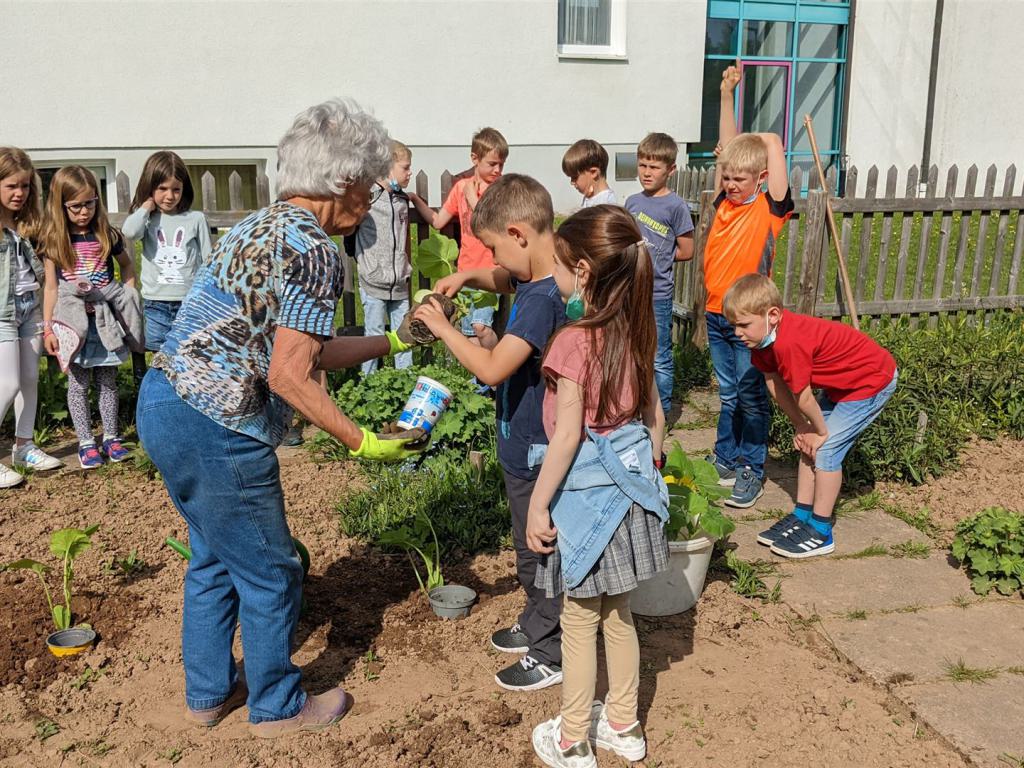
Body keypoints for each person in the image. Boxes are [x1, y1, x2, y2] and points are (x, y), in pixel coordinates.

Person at [135, 99, 429, 738]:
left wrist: (395, 342)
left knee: (213, 558)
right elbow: (289, 376)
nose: (373, 197)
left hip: (163, 403)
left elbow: (298, 348)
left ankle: (209, 694)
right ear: (344, 181)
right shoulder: (316, 250)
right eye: (372, 182)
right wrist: (365, 441)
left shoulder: (259, 226)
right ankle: (276, 705)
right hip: (216, 427)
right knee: (272, 569)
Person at [413, 174, 567, 692]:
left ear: (520, 234)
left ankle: (551, 649)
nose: (496, 262)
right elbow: (505, 280)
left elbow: (494, 370)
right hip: (518, 435)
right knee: (526, 544)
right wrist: (468, 278)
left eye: (498, 248)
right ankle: (537, 620)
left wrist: (444, 329)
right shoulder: (532, 280)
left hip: (538, 445)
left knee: (540, 546)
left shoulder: (547, 298)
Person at [528, 204, 668, 768]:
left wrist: (539, 506)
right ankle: (624, 727)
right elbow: (655, 415)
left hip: (585, 501)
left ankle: (574, 738)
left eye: (560, 265)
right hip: (629, 498)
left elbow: (566, 438)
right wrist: (651, 460)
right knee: (619, 615)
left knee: (579, 618)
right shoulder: (637, 331)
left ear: (582, 271)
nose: (555, 276)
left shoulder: (572, 342)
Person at [723, 274, 897, 558]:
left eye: (744, 325)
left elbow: (803, 396)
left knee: (826, 450)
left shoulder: (790, 342)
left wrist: (819, 431)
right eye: (734, 326)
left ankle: (821, 529)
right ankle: (802, 514)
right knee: (807, 444)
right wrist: (802, 427)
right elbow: (773, 382)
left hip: (871, 380)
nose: (738, 333)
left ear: (773, 315)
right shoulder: (761, 342)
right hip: (839, 384)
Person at [703, 63, 794, 508]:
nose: (731, 183)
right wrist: (725, 95)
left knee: (751, 395)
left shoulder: (770, 208)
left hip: (748, 320)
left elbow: (772, 143)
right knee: (728, 391)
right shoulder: (724, 200)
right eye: (727, 176)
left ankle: (750, 469)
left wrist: (755, 149)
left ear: (760, 179)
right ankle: (725, 455)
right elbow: (730, 153)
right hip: (715, 313)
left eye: (740, 178)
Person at [40, 166, 141, 470]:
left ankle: (111, 437)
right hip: (73, 325)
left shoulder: (108, 236)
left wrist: (126, 298)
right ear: (61, 206)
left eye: (89, 203)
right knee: (78, 384)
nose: (83, 212)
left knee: (108, 382)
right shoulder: (54, 240)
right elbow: (51, 287)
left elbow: (127, 267)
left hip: (105, 322)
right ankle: (86, 441)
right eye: (75, 206)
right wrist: (48, 328)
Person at [410, 127, 507, 350]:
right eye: (492, 164)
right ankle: (479, 382)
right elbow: (438, 221)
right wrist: (416, 200)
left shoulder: (500, 190)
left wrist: (473, 200)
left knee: (481, 326)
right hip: (464, 271)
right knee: (468, 332)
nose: (497, 169)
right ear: (475, 158)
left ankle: (497, 368)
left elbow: (493, 226)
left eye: (501, 164)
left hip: (492, 272)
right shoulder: (461, 187)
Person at [0, 147, 62, 487]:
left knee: (28, 380)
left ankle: (24, 446)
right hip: (2, 314)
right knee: (6, 383)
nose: (19, 193)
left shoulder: (30, 225)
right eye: (11, 186)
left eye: (24, 186)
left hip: (30, 310)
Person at [624, 132, 694, 416]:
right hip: (630, 291)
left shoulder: (675, 206)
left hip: (658, 294)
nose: (647, 172)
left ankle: (660, 414)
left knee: (659, 357)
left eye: (654, 167)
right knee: (631, 352)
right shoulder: (632, 202)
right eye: (642, 165)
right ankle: (632, 407)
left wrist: (661, 258)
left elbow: (687, 250)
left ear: (670, 170)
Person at [122, 150, 213, 352]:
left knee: (189, 355)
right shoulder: (147, 221)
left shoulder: (195, 219)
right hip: (156, 303)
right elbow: (129, 231)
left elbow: (209, 261)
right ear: (150, 187)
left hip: (189, 302)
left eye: (176, 190)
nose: (170, 196)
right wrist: (146, 205)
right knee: (160, 356)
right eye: (162, 188)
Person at [347, 140, 413, 375]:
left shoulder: (402, 200)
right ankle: (369, 387)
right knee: (373, 337)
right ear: (387, 167)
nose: (409, 172)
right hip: (373, 280)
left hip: (399, 282)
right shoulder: (368, 200)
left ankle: (404, 383)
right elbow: (350, 231)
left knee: (405, 336)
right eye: (405, 167)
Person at [562, 139, 616, 208]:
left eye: (575, 177)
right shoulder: (590, 197)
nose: (572, 182)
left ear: (593, 172)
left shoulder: (607, 204)